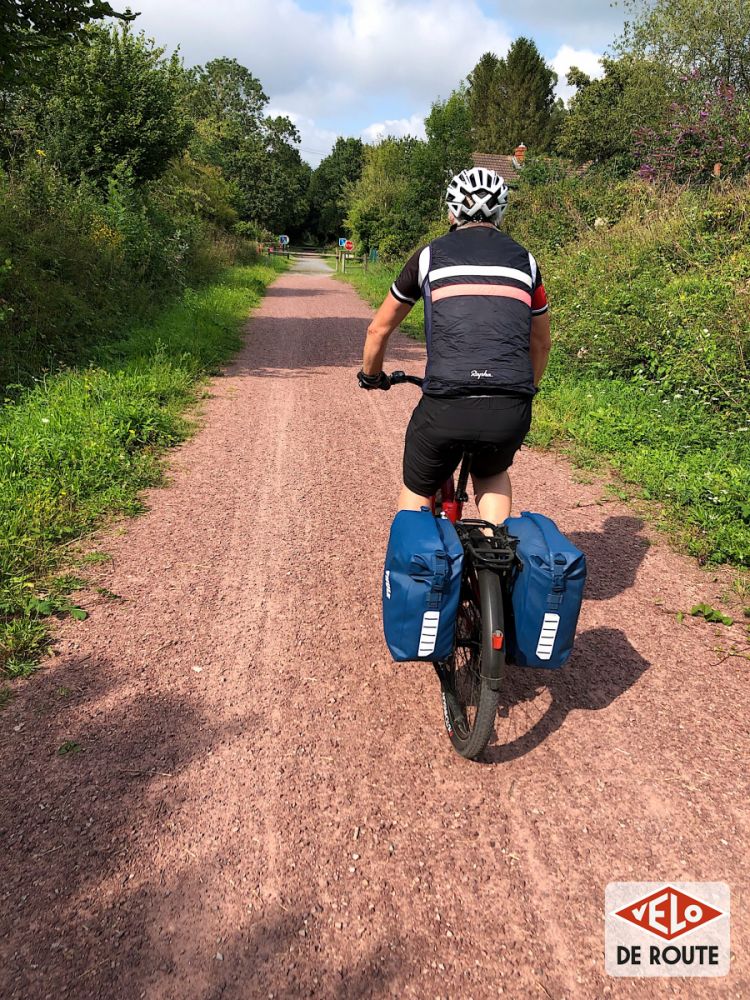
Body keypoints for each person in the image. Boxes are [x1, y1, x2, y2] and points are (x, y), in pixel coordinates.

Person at [357, 167, 551, 524]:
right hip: (510, 406)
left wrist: (371, 376)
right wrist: (527, 389)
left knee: (419, 483)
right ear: (501, 212)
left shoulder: (429, 256)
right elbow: (541, 342)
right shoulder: (527, 261)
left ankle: (416, 561)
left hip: (447, 403)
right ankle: (496, 557)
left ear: (452, 211)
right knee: (491, 473)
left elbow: (377, 330)